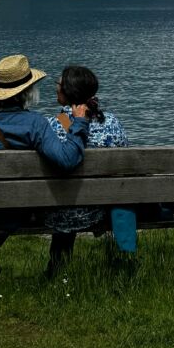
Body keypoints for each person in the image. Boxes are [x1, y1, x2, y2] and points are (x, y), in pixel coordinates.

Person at [0, 53, 90, 284]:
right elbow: (67, 160)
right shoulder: (36, 123)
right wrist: (78, 123)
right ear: (27, 92)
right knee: (21, 201)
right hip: (18, 209)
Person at [43, 64, 128, 275]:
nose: (56, 86)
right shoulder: (112, 122)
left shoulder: (52, 125)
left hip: (61, 212)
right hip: (100, 209)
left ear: (67, 91)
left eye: (59, 83)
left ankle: (57, 268)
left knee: (66, 199)